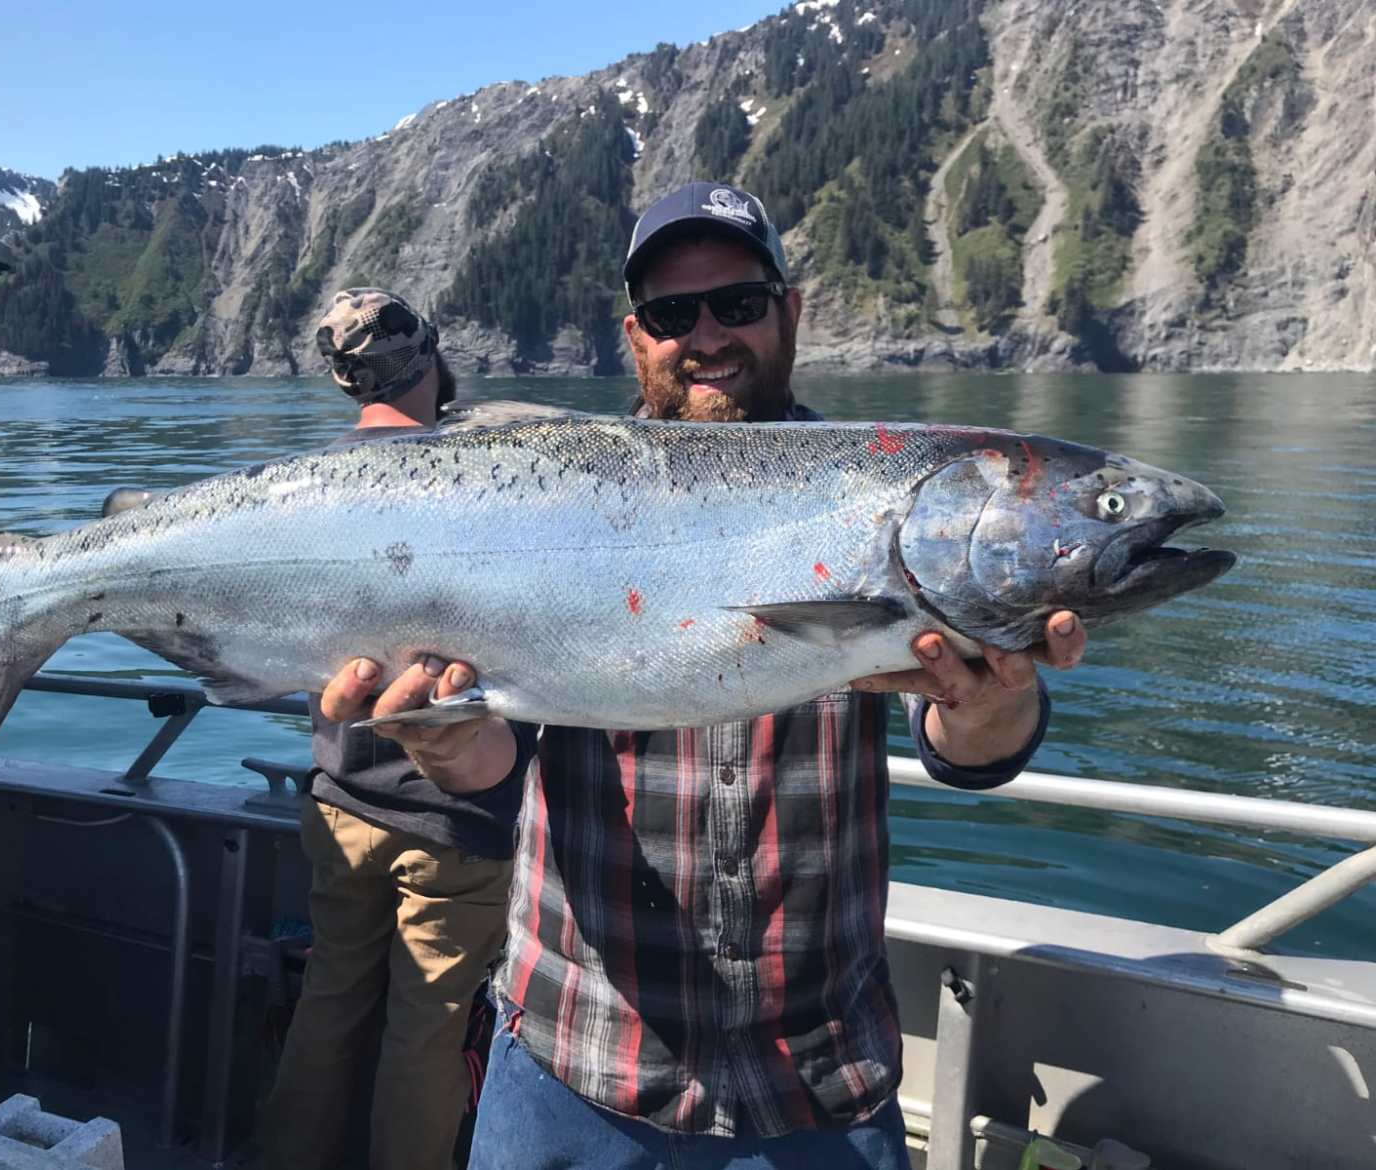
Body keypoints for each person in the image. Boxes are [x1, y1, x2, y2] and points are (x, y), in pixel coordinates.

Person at [319, 188, 1088, 1168]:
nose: (708, 335)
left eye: (738, 302)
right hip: (574, 1066)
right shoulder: (545, 496)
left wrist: (999, 708)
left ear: (790, 311)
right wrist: (448, 740)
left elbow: (963, 740)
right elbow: (496, 765)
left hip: (819, 1087)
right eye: (675, 314)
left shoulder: (892, 496)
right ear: (636, 336)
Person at [262, 290, 537, 1170]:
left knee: (330, 1001)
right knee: (429, 1031)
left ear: (347, 381)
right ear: (431, 359)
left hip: (338, 804)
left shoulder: (310, 488)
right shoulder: (483, 482)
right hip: (453, 824)